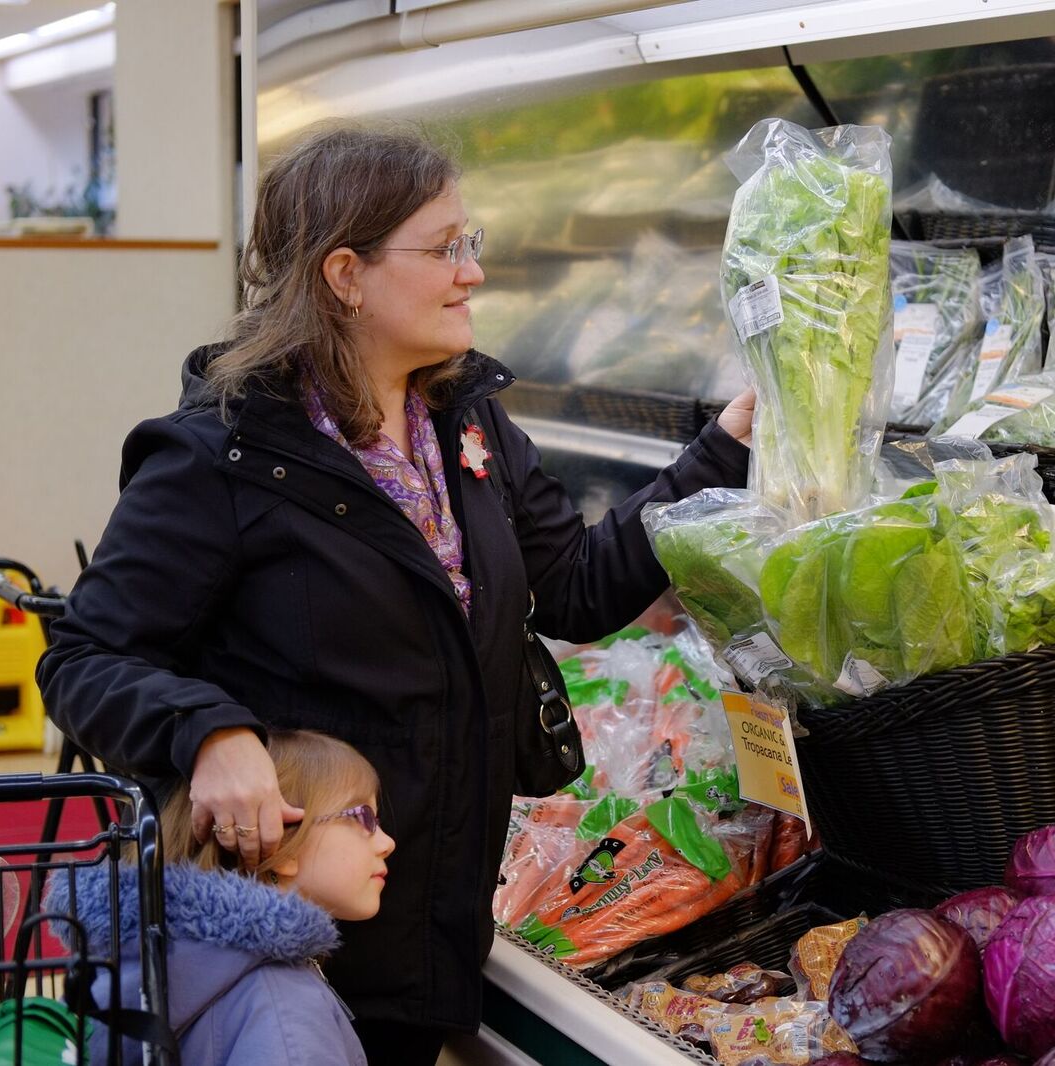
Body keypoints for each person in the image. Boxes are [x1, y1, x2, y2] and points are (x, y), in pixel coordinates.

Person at [37, 122, 754, 1063]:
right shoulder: (223, 456)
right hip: (295, 959)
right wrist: (206, 731)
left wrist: (724, 450)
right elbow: (85, 657)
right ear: (346, 274)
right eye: (445, 247)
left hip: (431, 931)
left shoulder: (466, 423)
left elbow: (577, 588)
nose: (473, 273)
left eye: (473, 243)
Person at [45, 729, 393, 1066]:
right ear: (280, 839)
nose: (386, 843)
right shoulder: (286, 1009)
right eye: (362, 817)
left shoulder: (142, 964)